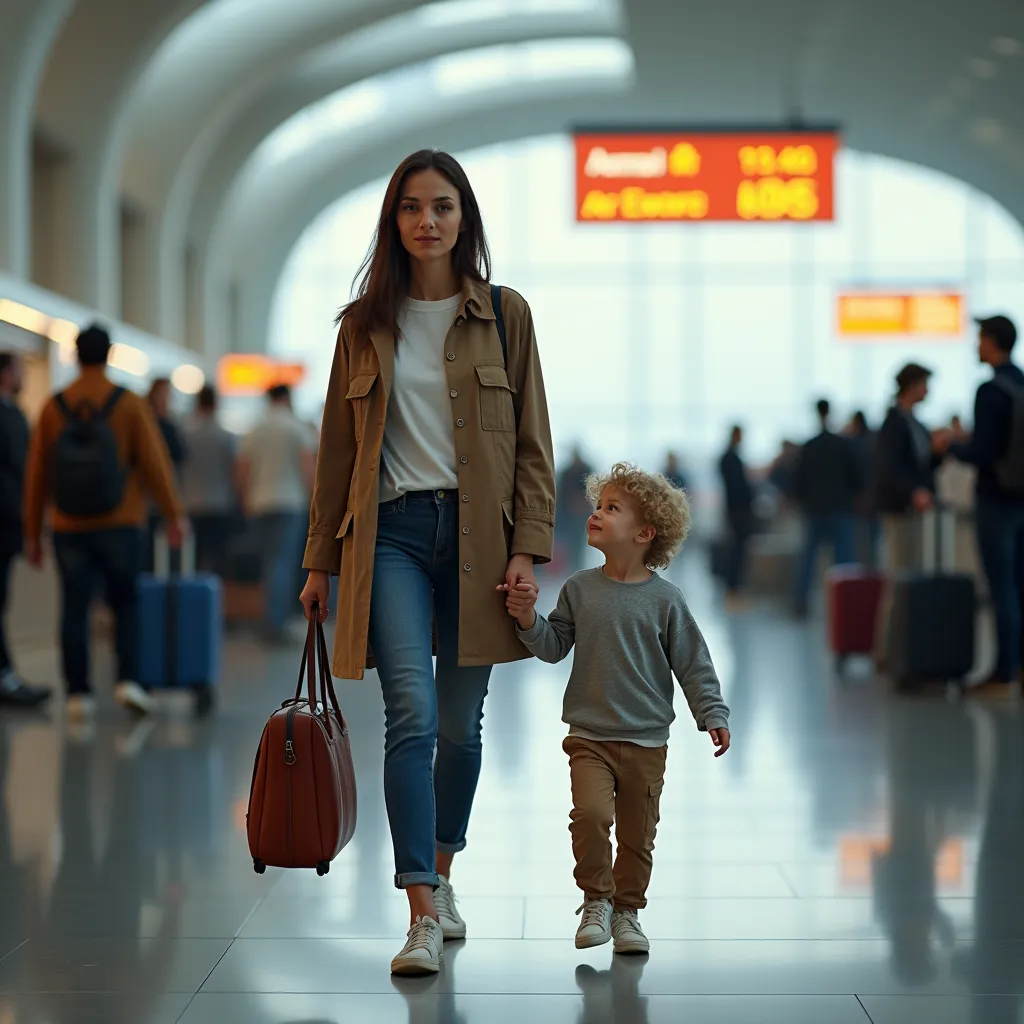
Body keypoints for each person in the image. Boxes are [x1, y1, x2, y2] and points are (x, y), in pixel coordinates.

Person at [298, 149, 556, 976]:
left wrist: (528, 551)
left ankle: (443, 873)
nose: (427, 221)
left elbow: (531, 446)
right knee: (407, 708)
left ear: (464, 218)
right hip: (392, 538)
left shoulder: (505, 315)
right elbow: (338, 455)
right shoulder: (361, 325)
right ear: (393, 221)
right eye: (411, 207)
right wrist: (318, 565)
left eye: (442, 206)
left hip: (482, 539)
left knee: (458, 723)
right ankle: (416, 909)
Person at [502, 463, 730, 955]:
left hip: (648, 740)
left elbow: (694, 663)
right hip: (589, 735)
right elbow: (554, 644)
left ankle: (628, 912)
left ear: (645, 532)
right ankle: (596, 900)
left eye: (611, 508)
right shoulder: (580, 589)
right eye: (597, 506)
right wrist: (526, 619)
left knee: (637, 836)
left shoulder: (666, 600)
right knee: (588, 815)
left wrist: (712, 711)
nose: (596, 514)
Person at [23, 325, 185, 719]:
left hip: (68, 526)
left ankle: (79, 693)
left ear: (75, 356)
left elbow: (37, 473)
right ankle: (128, 680)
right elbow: (154, 462)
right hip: (122, 522)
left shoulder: (53, 406)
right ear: (110, 355)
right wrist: (173, 515)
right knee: (126, 602)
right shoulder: (128, 404)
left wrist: (32, 533)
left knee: (74, 608)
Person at [946, 315, 1024, 694]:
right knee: (1021, 586)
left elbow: (984, 452)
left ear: (992, 342)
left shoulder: (990, 390)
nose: (976, 345)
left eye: (980, 338)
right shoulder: (1021, 384)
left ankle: (1002, 672)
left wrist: (953, 445)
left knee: (1002, 589)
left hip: (998, 500)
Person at [873, 363, 948, 667]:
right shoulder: (894, 423)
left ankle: (901, 648)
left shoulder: (914, 423)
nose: (928, 391)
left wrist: (938, 453)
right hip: (899, 511)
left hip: (912, 510)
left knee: (907, 578)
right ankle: (887, 651)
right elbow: (890, 470)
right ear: (913, 385)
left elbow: (920, 467)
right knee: (898, 578)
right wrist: (912, 492)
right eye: (925, 384)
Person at [237, 384, 316, 645]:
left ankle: (270, 620)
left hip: (260, 503)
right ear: (287, 398)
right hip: (289, 504)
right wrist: (315, 502)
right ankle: (276, 624)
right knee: (282, 563)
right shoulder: (296, 427)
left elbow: (243, 468)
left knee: (268, 563)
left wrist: (245, 498)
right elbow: (308, 468)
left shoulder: (256, 428)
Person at [0, 353, 51, 706]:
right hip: (4, 522)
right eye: (20, 373)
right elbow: (27, 473)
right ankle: (5, 675)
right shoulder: (11, 418)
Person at [791, 399, 862, 616]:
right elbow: (855, 476)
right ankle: (848, 605)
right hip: (840, 508)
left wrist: (803, 500)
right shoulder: (842, 445)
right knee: (844, 560)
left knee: (809, 559)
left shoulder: (810, 446)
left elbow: (799, 479)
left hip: (815, 510)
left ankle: (801, 603)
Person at [180, 385, 237, 577]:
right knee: (218, 556)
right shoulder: (225, 436)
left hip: (190, 502)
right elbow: (233, 470)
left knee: (192, 557)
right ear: (216, 403)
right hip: (218, 503)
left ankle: (194, 598)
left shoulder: (185, 434)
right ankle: (216, 598)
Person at [718, 424, 755, 608]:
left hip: (735, 510)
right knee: (736, 550)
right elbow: (737, 487)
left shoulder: (729, 457)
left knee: (736, 549)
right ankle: (733, 588)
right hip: (738, 511)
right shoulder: (731, 458)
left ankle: (733, 588)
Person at [845, 411, 880, 568]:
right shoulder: (874, 443)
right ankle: (872, 574)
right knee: (874, 543)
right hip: (874, 499)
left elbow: (852, 473)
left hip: (858, 501)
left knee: (857, 544)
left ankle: (861, 577)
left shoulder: (852, 445)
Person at [556, 444, 594, 572]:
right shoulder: (566, 472)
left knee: (580, 543)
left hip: (583, 514)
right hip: (568, 514)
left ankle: (578, 567)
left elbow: (593, 490)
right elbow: (561, 494)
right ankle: (572, 568)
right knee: (570, 543)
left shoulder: (586, 469)